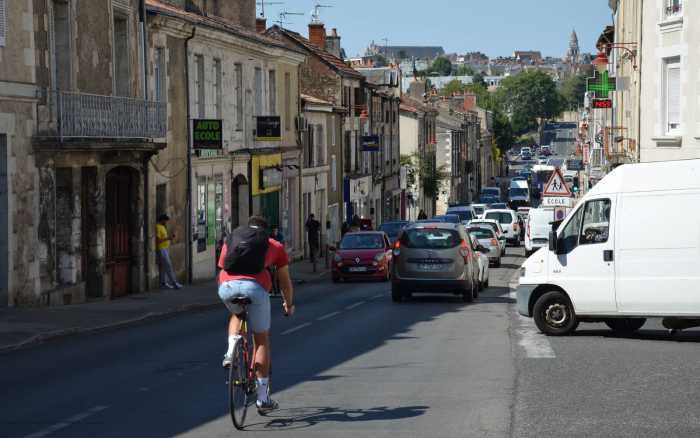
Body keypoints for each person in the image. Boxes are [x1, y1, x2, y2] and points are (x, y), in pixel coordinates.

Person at [217, 216, 294, 414]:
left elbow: (222, 267)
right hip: (255, 289)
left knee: (237, 314)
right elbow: (284, 280)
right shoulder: (273, 245)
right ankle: (262, 398)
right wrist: (289, 303)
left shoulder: (233, 239)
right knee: (260, 340)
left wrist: (227, 292)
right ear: (265, 231)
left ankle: (231, 348)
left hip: (227, 287)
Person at [155, 214, 182, 289]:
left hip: (165, 248)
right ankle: (174, 283)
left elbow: (164, 238)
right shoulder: (158, 227)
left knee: (163, 267)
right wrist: (168, 238)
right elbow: (158, 240)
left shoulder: (163, 227)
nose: (166, 222)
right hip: (161, 249)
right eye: (165, 221)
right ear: (162, 220)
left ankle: (163, 283)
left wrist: (169, 238)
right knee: (168, 266)